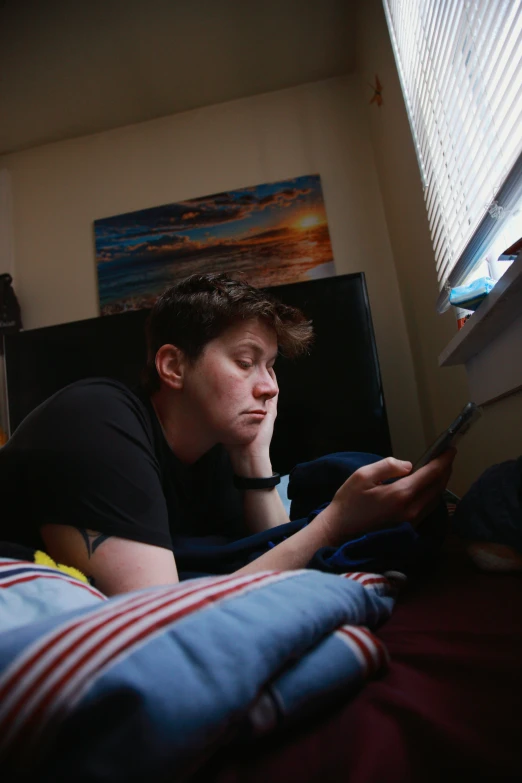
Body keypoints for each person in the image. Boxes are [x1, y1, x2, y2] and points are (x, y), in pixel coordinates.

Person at [0, 273, 454, 595]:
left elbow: (277, 556)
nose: (270, 386)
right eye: (245, 361)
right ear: (174, 366)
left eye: (271, 365)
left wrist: (253, 455)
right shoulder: (96, 420)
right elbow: (156, 613)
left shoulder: (210, 447)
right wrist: (334, 524)